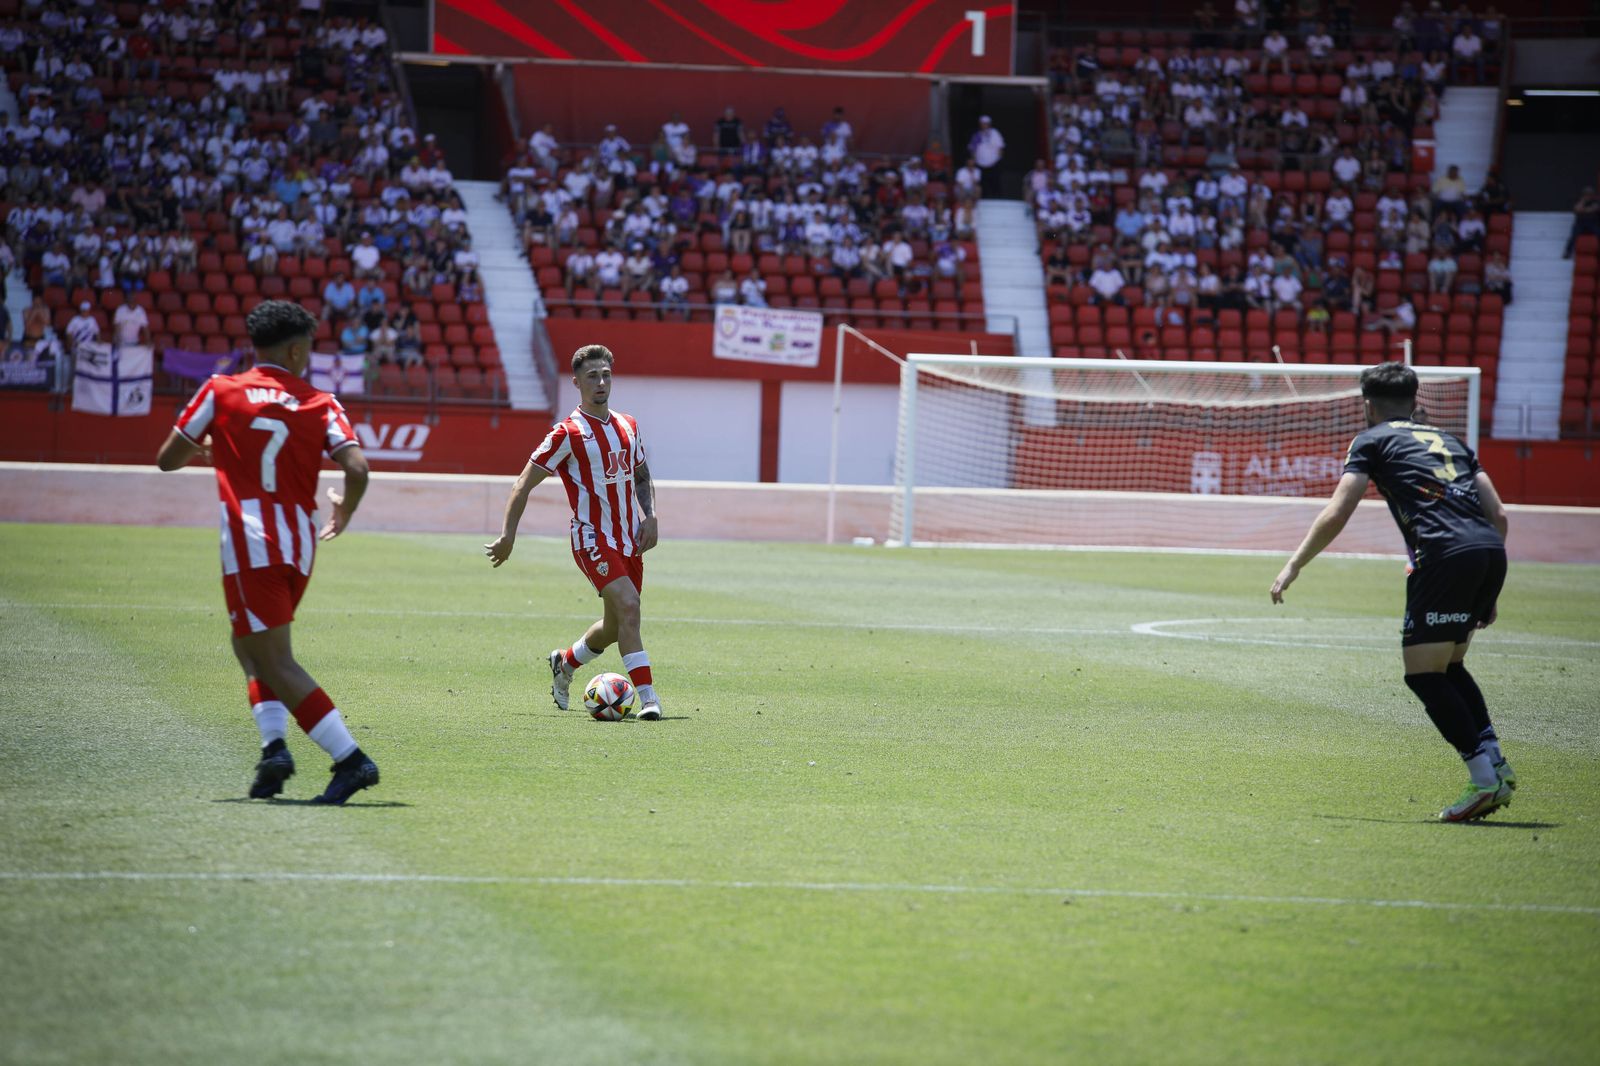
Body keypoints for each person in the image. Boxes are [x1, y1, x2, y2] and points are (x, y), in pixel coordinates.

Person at [154, 301, 379, 804]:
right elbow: (357, 469)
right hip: (299, 543)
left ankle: (351, 760)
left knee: (273, 659)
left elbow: (168, 458)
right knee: (249, 647)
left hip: (250, 541)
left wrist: (214, 448)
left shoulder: (220, 390)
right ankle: (274, 750)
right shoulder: (321, 401)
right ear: (296, 350)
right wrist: (344, 511)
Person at [1270, 361, 1513, 822]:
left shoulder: (1371, 440)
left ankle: (1484, 780)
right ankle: (1496, 764)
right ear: (1416, 401)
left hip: (1442, 556)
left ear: (1367, 405)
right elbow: (1498, 515)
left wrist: (1294, 563)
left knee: (1424, 675)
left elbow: (1339, 509)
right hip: (1487, 552)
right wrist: (1487, 585)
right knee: (1450, 665)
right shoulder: (1453, 441)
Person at [484, 344, 663, 721]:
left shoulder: (628, 425)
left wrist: (650, 516)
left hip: (629, 540)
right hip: (591, 538)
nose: (601, 382)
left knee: (615, 627)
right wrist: (508, 535)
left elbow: (642, 474)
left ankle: (564, 663)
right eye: (592, 376)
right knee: (630, 606)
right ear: (577, 382)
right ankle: (649, 699)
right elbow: (522, 484)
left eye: (606, 375)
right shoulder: (566, 433)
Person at [967, 116, 1005, 198]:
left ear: (989, 124)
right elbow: (972, 149)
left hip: (994, 163)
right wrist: (974, 161)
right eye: (982, 124)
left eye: (986, 124)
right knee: (983, 183)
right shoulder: (977, 135)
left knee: (995, 182)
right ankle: (984, 198)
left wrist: (999, 160)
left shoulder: (995, 133)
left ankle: (997, 198)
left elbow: (1000, 147)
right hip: (980, 164)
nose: (984, 125)